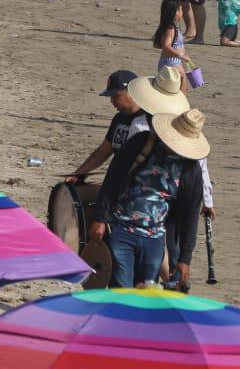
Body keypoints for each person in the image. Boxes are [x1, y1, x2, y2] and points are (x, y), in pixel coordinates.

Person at [90, 108, 210, 289]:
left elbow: (190, 215)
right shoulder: (142, 143)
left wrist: (185, 259)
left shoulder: (190, 171)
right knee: (122, 292)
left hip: (154, 239)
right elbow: (112, 178)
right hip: (121, 230)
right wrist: (100, 217)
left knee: (146, 293)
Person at [64, 68, 189, 184]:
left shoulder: (151, 121)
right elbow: (104, 150)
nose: (111, 101)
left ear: (132, 92)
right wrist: (80, 173)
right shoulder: (119, 119)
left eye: (116, 96)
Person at [152, 0, 192, 82]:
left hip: (170, 62)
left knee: (175, 88)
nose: (182, 12)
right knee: (181, 88)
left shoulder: (168, 26)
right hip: (172, 63)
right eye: (180, 9)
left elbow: (158, 45)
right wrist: (181, 55)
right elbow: (166, 46)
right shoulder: (170, 29)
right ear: (175, 12)